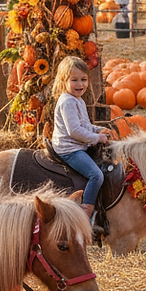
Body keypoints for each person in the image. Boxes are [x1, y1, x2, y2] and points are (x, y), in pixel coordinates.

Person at [51, 56, 110, 223]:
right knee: (96, 175)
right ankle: (85, 213)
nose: (80, 84)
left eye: (84, 79)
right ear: (63, 81)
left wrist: (99, 130)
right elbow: (75, 131)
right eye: (74, 80)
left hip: (78, 144)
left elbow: (85, 125)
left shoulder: (78, 100)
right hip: (69, 149)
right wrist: (97, 138)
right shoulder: (68, 102)